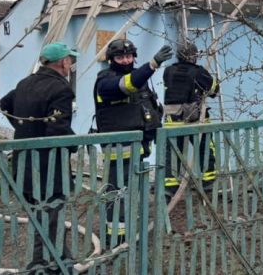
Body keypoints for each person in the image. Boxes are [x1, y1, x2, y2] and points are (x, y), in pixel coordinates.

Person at [0, 41, 78, 274]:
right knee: (51, 215)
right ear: (63, 62)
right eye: (70, 60)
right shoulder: (61, 89)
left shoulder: (25, 83)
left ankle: (60, 259)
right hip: (48, 167)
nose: (71, 64)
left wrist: (24, 128)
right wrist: (73, 146)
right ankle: (44, 264)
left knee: (41, 215)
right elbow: (57, 131)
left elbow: (5, 103)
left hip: (24, 162)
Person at [93, 38, 172, 245]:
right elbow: (127, 84)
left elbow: (146, 107)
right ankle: (116, 240)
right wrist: (152, 64)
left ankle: (130, 232)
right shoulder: (105, 80)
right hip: (119, 149)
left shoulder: (139, 79)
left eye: (129, 56)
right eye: (120, 57)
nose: (126, 60)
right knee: (117, 193)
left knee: (132, 192)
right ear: (111, 60)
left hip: (140, 148)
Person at [162, 40, 219, 199]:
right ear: (194, 56)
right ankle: (208, 182)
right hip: (194, 120)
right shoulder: (199, 72)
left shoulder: (168, 71)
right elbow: (214, 91)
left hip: (172, 121)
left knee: (172, 154)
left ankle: (170, 187)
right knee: (205, 148)